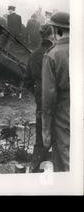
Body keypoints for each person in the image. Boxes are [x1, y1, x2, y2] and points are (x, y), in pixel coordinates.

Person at [42, 11, 70, 172]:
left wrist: (46, 131)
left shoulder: (52, 55)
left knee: (67, 161)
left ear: (55, 30)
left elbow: (48, 98)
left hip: (63, 116)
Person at [23, 24, 53, 172]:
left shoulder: (33, 55)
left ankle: (35, 170)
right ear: (52, 35)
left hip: (41, 99)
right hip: (58, 101)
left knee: (40, 138)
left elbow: (27, 81)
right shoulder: (55, 53)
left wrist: (37, 92)